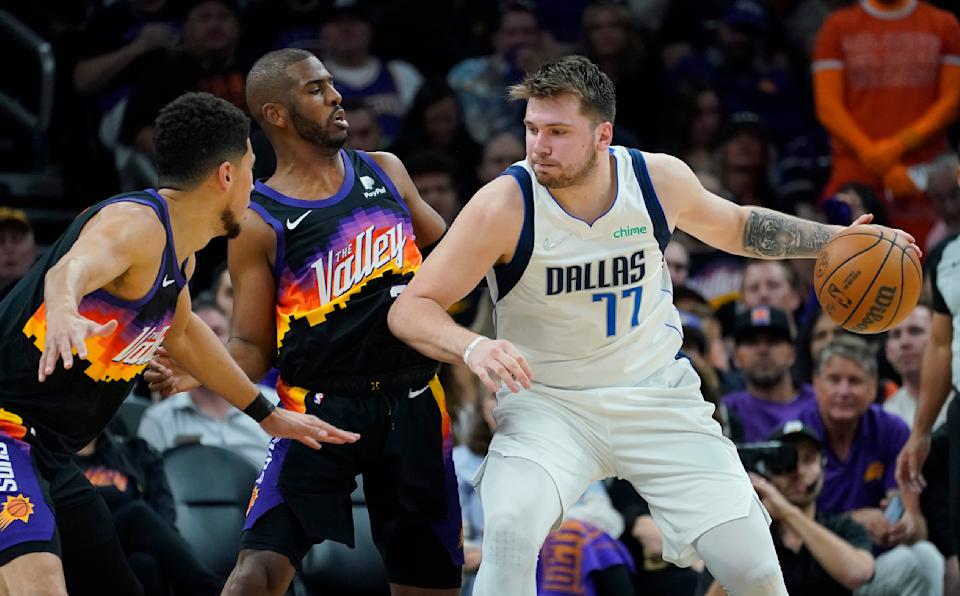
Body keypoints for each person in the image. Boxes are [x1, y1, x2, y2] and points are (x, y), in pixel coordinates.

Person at [388, 55, 918, 596]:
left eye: (556, 131)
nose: (537, 145)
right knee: (507, 534)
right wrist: (472, 346)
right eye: (530, 128)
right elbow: (409, 307)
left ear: (602, 135)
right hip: (549, 404)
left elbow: (737, 226)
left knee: (755, 570)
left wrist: (839, 240)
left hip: (655, 395)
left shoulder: (654, 178)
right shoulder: (505, 203)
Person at [0, 92, 354, 596]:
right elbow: (70, 268)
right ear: (227, 176)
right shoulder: (136, 225)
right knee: (40, 586)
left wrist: (267, 415)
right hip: (6, 432)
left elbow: (185, 333)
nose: (256, 187)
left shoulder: (179, 258)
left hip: (50, 454)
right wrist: (60, 309)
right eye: (253, 170)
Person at [149, 49, 462, 596]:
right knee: (259, 568)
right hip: (316, 409)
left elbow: (458, 256)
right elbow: (251, 343)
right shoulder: (259, 220)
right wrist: (194, 373)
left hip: (413, 400)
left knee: (429, 580)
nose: (336, 96)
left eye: (331, 85)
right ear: (275, 114)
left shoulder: (386, 171)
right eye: (316, 90)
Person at [798, 337, 944, 595]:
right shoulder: (795, 436)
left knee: (926, 554)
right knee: (907, 562)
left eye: (854, 381)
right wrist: (853, 522)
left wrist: (905, 525)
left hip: (874, 565)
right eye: (834, 380)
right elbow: (787, 528)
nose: (844, 391)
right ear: (816, 385)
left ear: (872, 388)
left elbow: (918, 527)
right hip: (814, 568)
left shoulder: (892, 430)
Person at [707, 420, 876, 596]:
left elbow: (859, 574)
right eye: (786, 459)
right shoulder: (751, 535)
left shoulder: (842, 526)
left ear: (823, 466)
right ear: (767, 469)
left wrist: (787, 512)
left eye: (808, 459)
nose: (799, 471)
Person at [138, 300, 272, 468]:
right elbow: (151, 485)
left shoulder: (272, 403)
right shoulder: (158, 419)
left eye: (217, 332)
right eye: (199, 338)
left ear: (233, 339)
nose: (209, 345)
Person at [723, 306, 816, 442]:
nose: (763, 350)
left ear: (792, 353)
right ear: (736, 357)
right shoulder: (726, 411)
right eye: (752, 342)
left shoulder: (819, 404)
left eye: (773, 341)